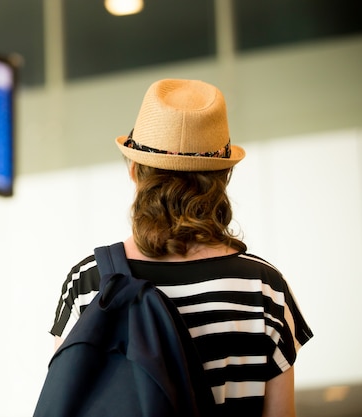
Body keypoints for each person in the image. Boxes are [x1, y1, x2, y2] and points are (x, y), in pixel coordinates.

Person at [49, 79, 313, 417]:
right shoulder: (265, 289)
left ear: (135, 171)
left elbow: (65, 400)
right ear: (224, 177)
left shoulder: (89, 283)